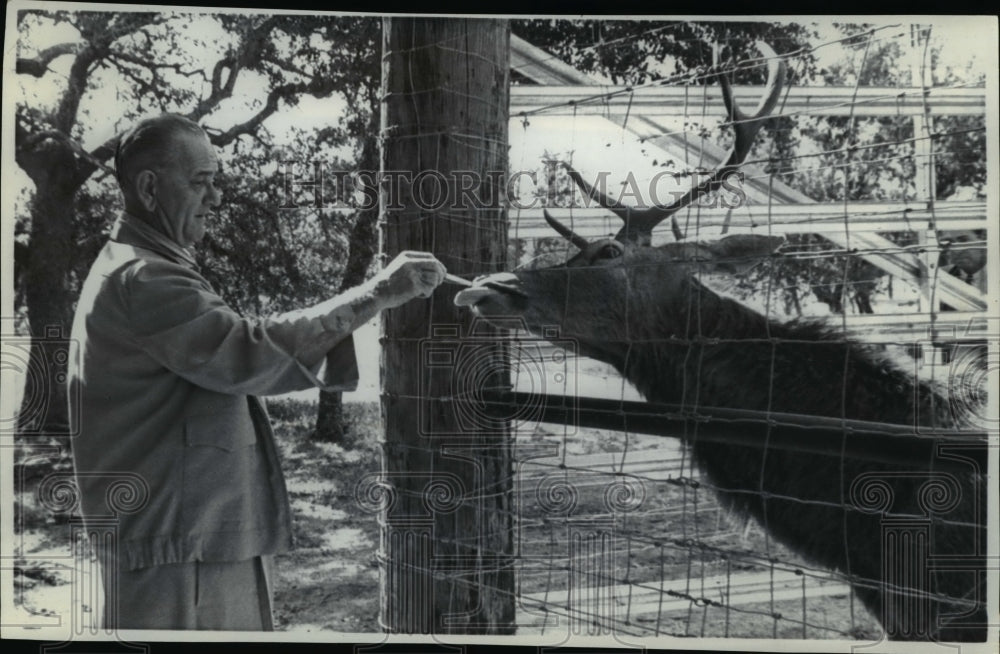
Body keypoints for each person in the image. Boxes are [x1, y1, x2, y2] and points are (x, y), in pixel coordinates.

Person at [67, 113, 445, 630]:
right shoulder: (145, 279)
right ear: (150, 188)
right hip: (179, 553)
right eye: (201, 182)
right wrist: (377, 293)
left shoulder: (142, 265)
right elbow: (252, 352)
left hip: (190, 542)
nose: (216, 199)